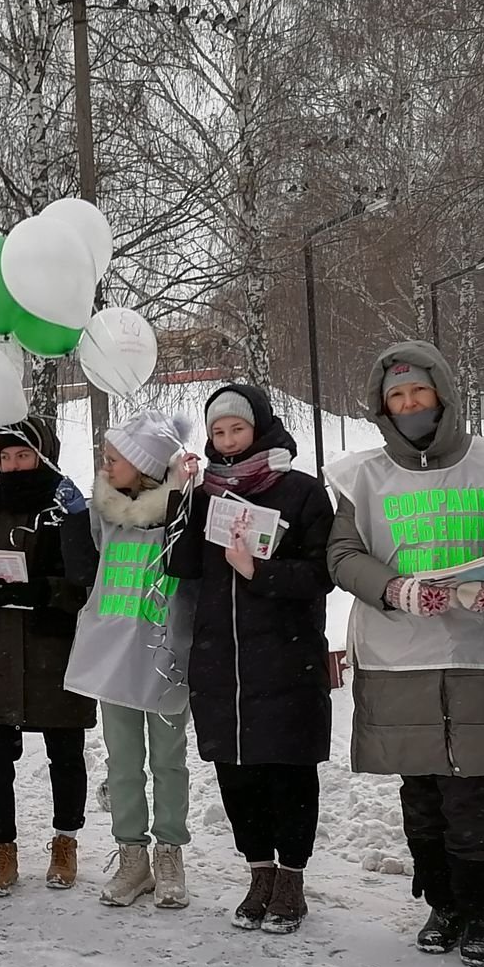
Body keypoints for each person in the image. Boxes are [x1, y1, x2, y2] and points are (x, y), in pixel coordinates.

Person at [325, 343, 484, 967]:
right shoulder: (360, 476)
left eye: (418, 392)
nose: (409, 404)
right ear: (381, 407)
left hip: (475, 650)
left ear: (442, 393)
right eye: (396, 396)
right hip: (396, 655)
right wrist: (393, 588)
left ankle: (483, 910)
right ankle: (441, 901)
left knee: (468, 789)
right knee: (418, 789)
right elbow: (342, 554)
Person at [168, 384, 334, 933]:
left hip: (286, 660)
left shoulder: (302, 492)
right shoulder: (205, 494)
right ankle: (258, 870)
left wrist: (258, 571)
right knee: (236, 775)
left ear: (259, 428)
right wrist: (180, 496)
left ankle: (291, 878)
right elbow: (180, 566)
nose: (228, 440)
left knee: (287, 772)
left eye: (237, 428)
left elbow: (322, 574)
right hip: (221, 661)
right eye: (218, 432)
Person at [0, 416, 96, 897]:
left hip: (54, 649)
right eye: (5, 457)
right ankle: (3, 850)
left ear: (44, 454)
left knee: (65, 751)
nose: (13, 465)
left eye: (23, 455)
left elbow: (85, 582)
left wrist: (45, 591)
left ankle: (65, 841)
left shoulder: (66, 507)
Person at [63, 410, 197, 910]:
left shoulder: (181, 514)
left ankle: (169, 854)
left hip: (164, 657)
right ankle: (132, 855)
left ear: (143, 465)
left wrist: (184, 490)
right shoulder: (104, 512)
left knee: (168, 760)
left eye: (113, 459)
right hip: (112, 656)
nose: (104, 466)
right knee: (122, 761)